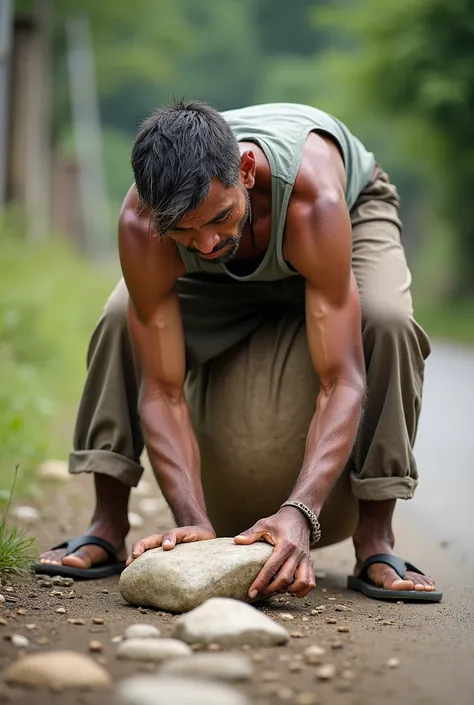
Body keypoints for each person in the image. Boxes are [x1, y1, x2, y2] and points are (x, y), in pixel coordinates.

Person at [35, 100, 442, 602]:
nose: (205, 245)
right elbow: (162, 390)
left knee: (387, 318)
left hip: (337, 222)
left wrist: (299, 512)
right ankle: (106, 522)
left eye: (217, 217)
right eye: (183, 232)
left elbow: (343, 378)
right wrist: (194, 526)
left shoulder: (314, 199)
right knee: (121, 318)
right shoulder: (146, 223)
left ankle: (376, 540)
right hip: (232, 257)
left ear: (246, 172)